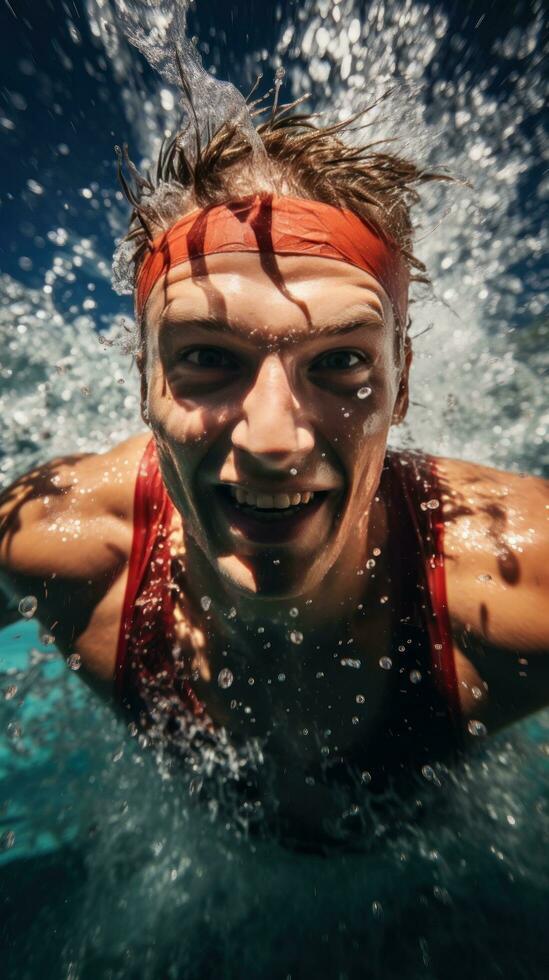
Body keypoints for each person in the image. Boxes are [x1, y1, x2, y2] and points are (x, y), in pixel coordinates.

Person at [1, 103, 548, 842]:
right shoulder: (57, 547)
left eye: (340, 362)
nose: (273, 441)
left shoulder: (514, 580)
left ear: (402, 380)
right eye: (207, 357)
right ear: (144, 380)